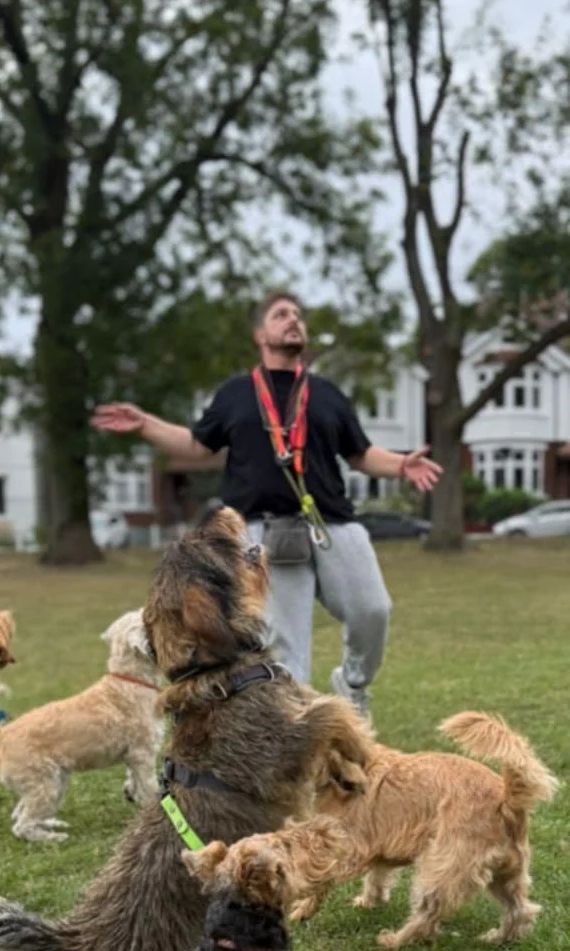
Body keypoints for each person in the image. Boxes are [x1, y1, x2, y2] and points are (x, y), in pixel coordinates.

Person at [92, 292, 441, 715]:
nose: (294, 320)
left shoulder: (326, 394)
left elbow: (361, 455)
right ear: (261, 334)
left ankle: (352, 684)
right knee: (285, 643)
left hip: (332, 523)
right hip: (265, 532)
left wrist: (403, 464)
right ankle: (298, 726)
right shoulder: (237, 394)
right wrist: (146, 424)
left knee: (373, 610)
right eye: (281, 315)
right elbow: (196, 445)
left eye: (298, 315)